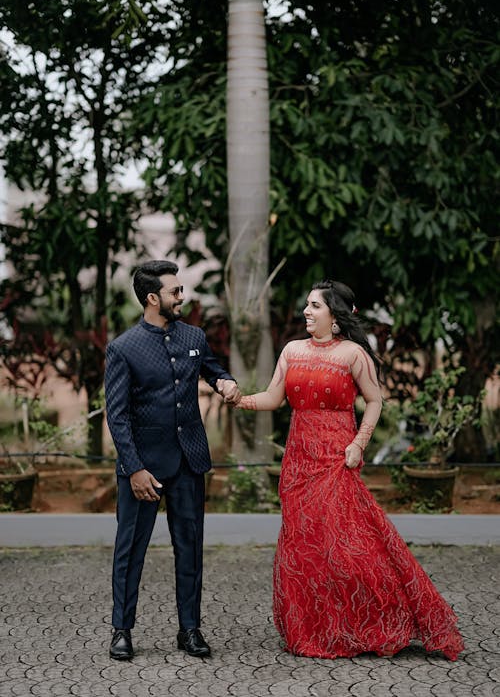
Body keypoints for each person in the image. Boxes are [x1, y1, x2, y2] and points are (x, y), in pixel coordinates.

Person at [236, 280, 464, 661]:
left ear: (335, 316)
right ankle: (316, 630)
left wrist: (359, 443)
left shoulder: (353, 355)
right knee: (304, 546)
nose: (306, 312)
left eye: (314, 306)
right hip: (299, 461)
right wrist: (240, 399)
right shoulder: (291, 350)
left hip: (337, 457)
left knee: (348, 545)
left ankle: (376, 620)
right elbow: (274, 398)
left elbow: (374, 401)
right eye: (306, 305)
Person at [105, 260, 241, 661]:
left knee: (190, 547)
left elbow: (213, 370)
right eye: (175, 291)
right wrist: (134, 469)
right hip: (142, 469)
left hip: (189, 463)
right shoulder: (123, 348)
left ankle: (190, 629)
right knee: (130, 550)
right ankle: (121, 630)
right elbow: (118, 415)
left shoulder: (194, 336)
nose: (182, 297)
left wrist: (225, 381)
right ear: (152, 298)